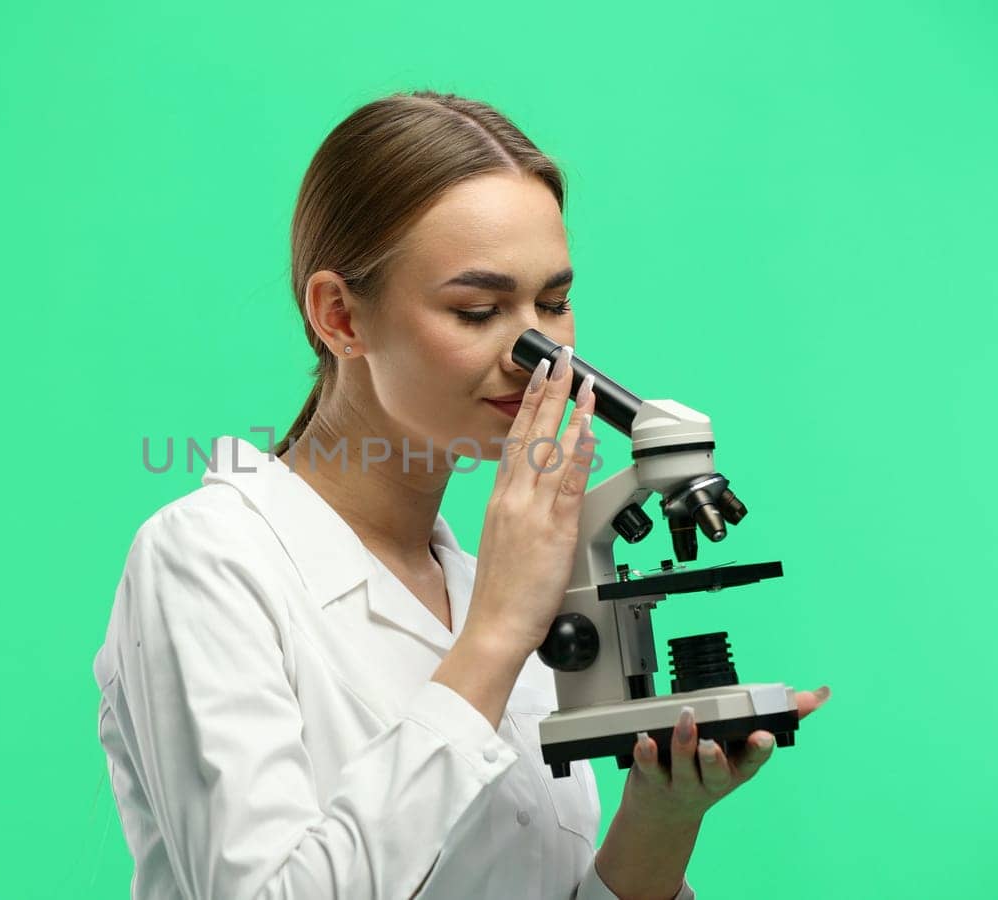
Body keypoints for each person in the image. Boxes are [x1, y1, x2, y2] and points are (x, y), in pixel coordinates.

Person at [93, 89, 830, 900]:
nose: (540, 353)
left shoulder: (487, 586)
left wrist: (659, 821)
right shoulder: (210, 561)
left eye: (552, 303)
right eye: (478, 310)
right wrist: (494, 640)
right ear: (341, 318)